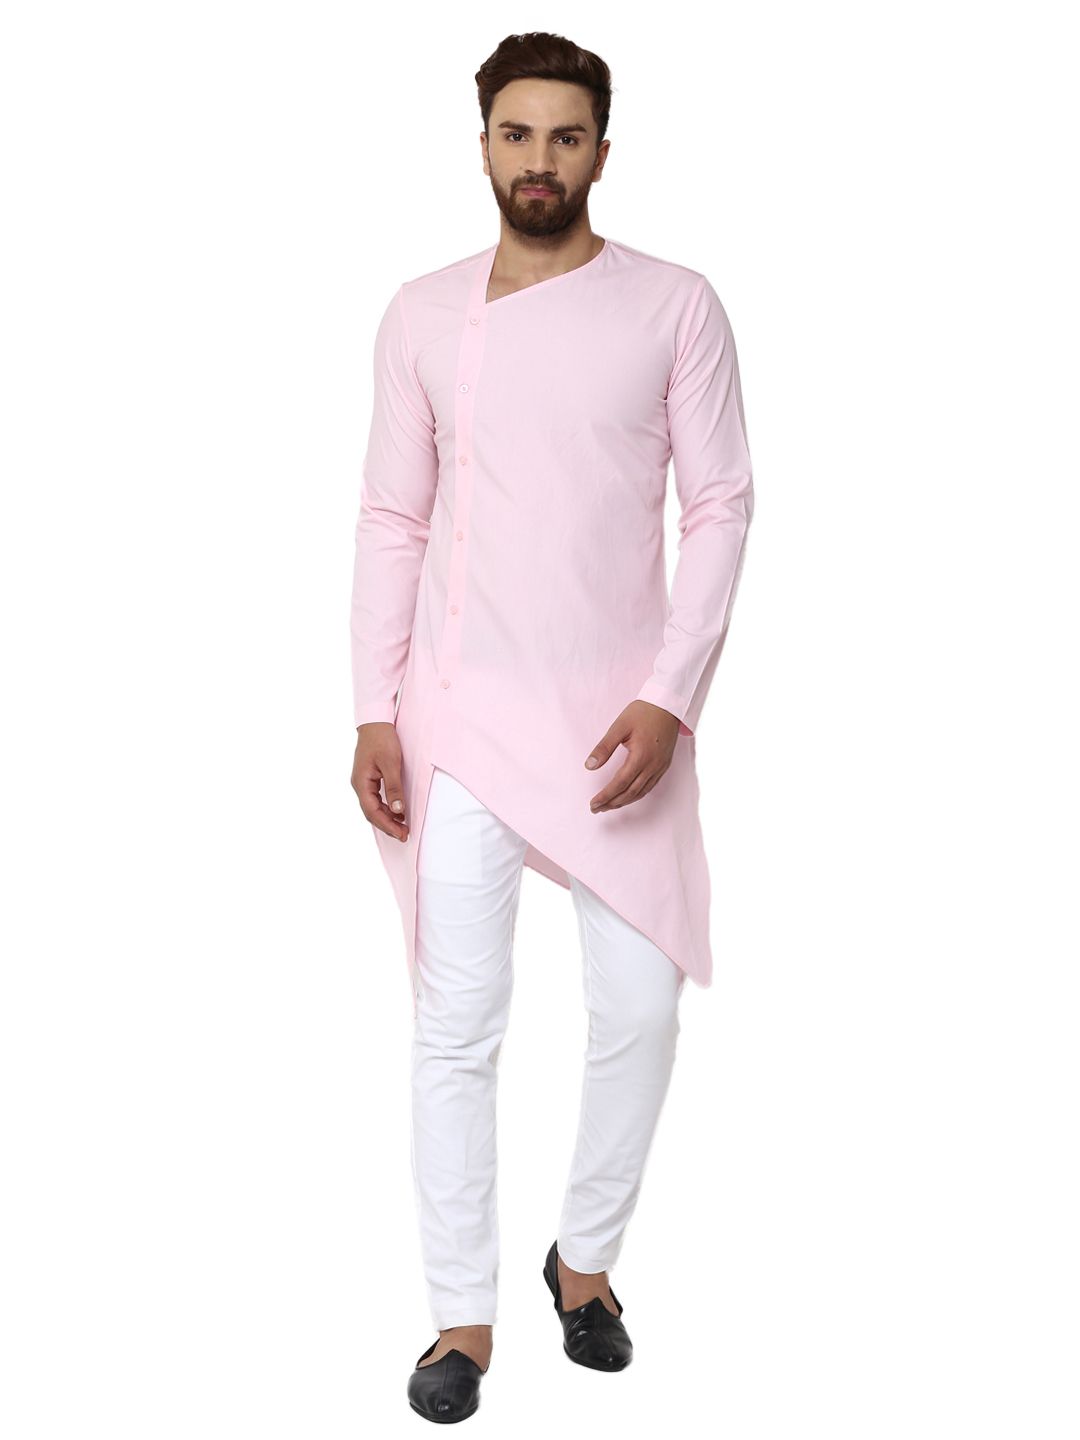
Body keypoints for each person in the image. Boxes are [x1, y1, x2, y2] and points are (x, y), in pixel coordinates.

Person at [350, 31, 755, 1424]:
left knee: (638, 1007)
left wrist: (672, 693)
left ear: (601, 151)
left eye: (565, 137)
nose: (539, 161)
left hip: (620, 722)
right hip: (458, 715)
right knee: (456, 1022)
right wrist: (373, 707)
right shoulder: (419, 314)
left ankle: (584, 1261)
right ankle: (459, 1318)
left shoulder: (675, 307)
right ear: (482, 146)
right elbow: (392, 516)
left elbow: (722, 504)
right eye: (516, 134)